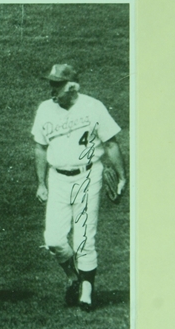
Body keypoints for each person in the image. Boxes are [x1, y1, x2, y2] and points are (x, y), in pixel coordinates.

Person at [31, 63, 127, 312]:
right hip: (58, 178)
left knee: (85, 237)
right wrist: (41, 183)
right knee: (53, 239)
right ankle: (74, 278)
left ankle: (86, 292)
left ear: (72, 87)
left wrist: (121, 176)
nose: (52, 89)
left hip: (88, 175)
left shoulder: (93, 107)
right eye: (50, 84)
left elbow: (111, 143)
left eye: (57, 85)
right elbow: (40, 148)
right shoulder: (44, 109)